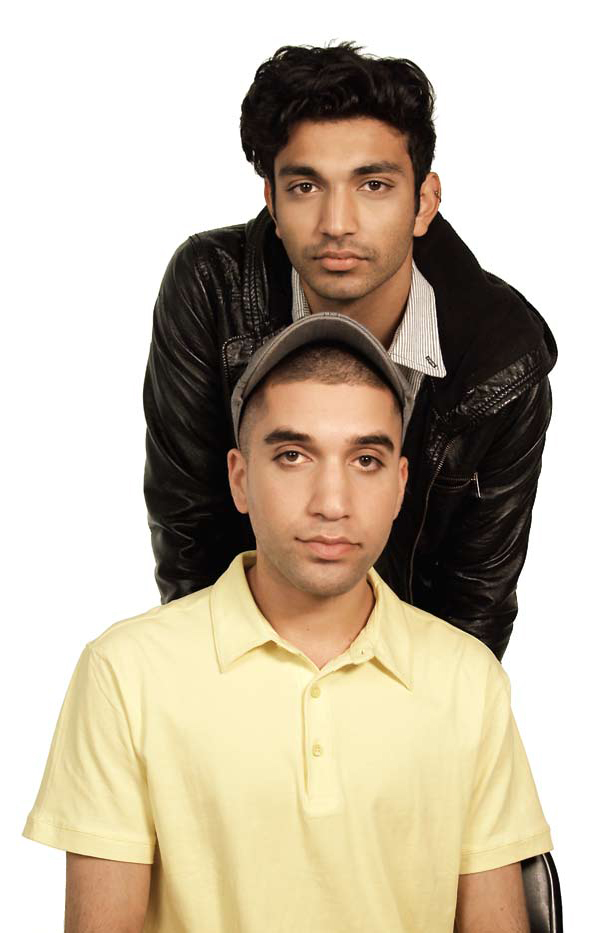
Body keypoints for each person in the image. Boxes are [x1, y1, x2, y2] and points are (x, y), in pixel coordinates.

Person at [24, 315, 552, 932]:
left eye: (366, 460)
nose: (332, 501)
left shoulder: (468, 680)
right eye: (294, 455)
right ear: (240, 478)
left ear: (401, 484)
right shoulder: (125, 673)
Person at [144, 42, 557, 660]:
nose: (338, 222)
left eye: (373, 184)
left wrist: (409, 727)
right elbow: (189, 534)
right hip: (241, 659)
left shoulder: (502, 355)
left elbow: (477, 600)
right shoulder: (211, 287)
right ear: (273, 205)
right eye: (307, 185)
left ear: (423, 202)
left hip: (400, 678)